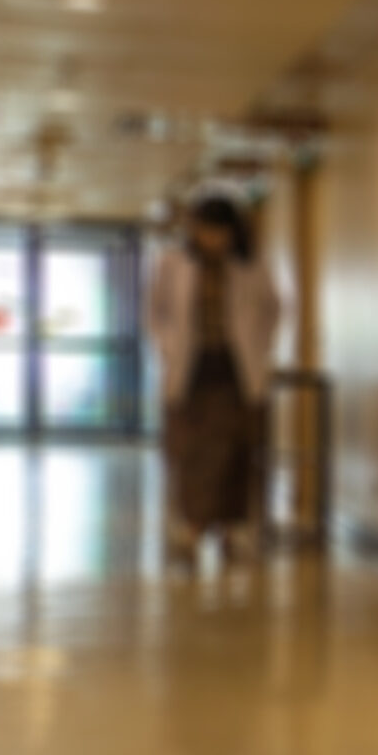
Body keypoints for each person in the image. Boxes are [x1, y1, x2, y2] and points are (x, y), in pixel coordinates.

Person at [146, 196, 282, 564]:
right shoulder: (172, 263)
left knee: (235, 453)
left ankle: (229, 528)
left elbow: (273, 309)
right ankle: (193, 527)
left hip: (236, 373)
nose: (211, 239)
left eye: (218, 231)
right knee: (190, 454)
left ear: (233, 231)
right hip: (190, 373)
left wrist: (260, 347)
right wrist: (168, 346)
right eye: (203, 230)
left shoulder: (253, 266)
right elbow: (156, 312)